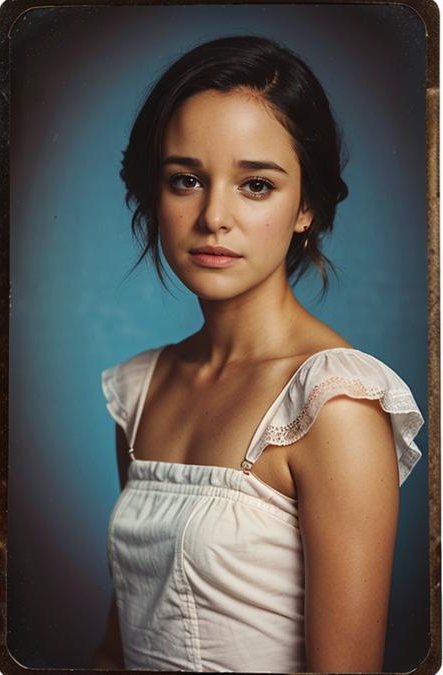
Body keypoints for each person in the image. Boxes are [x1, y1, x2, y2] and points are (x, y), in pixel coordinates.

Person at [91, 35, 423, 673]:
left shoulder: (334, 405)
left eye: (256, 185)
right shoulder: (141, 389)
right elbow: (116, 648)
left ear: (308, 207)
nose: (214, 215)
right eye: (185, 180)